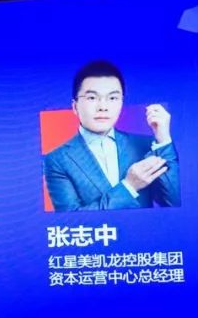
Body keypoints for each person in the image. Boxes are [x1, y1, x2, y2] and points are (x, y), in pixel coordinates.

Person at [44, 60, 180, 211]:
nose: (103, 107)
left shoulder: (145, 145)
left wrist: (163, 138)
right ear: (75, 106)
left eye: (113, 98)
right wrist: (129, 186)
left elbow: (174, 202)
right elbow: (72, 218)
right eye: (92, 98)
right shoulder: (56, 159)